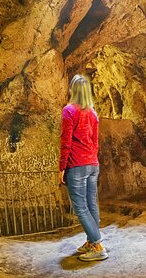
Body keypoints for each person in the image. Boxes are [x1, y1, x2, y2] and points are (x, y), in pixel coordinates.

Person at [58, 74, 108, 261]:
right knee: (91, 204)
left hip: (76, 165)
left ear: (73, 90)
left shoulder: (69, 111)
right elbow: (95, 142)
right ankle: (90, 242)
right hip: (92, 164)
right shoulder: (93, 113)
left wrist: (62, 167)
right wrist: (92, 159)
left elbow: (66, 142)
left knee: (80, 207)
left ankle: (97, 245)